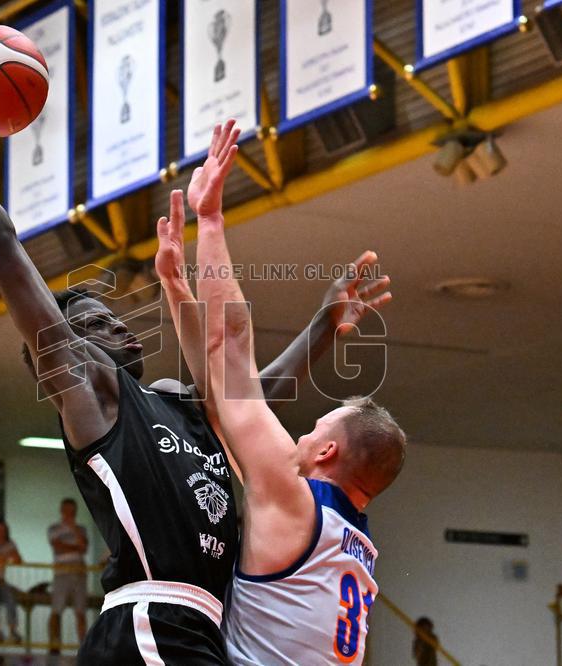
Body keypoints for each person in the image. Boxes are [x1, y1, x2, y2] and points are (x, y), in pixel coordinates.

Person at [0, 49, 372, 664]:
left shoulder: (177, 403)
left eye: (115, 316)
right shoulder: (95, 396)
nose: (119, 325)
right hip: (150, 621)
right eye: (95, 325)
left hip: (198, 630)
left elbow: (253, 398)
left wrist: (324, 324)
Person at [155, 120, 404, 665]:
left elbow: (229, 349)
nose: (300, 433)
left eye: (314, 428)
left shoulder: (293, 502)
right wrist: (175, 287)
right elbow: (223, 406)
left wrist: (211, 219)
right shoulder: (354, 546)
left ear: (327, 451)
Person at [48, 498, 89, 651]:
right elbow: (57, 547)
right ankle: (54, 646)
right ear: (61, 511)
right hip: (62, 572)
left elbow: (84, 547)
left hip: (79, 572)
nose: (69, 514)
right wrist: (75, 547)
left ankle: (83, 648)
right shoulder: (54, 528)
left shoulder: (81, 529)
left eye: (72, 511)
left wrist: (74, 530)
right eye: (67, 510)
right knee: (56, 610)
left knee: (80, 612)